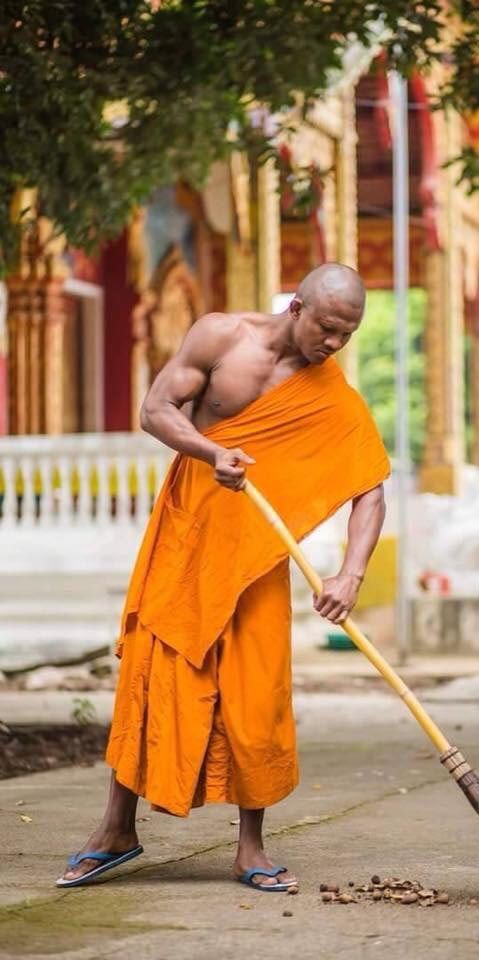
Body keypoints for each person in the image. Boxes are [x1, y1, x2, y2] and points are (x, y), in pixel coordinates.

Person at [57, 263, 390, 891]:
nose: (334, 344)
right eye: (327, 327)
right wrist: (211, 451)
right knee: (152, 677)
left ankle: (251, 849)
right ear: (297, 306)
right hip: (186, 539)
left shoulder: (331, 394)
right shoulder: (219, 335)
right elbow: (156, 410)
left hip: (257, 560)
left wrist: (350, 573)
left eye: (347, 335)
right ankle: (117, 830)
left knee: (255, 694)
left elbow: (370, 489)